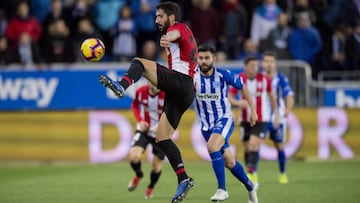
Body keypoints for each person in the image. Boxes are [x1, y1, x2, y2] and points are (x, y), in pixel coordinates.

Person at [98, 2, 197, 202]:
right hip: (185, 92)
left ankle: (121, 86)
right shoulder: (181, 32)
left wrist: (167, 37)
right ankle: (184, 179)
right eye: (156, 16)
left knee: (139, 62)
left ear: (171, 17)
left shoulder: (179, 27)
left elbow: (175, 34)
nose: (156, 20)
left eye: (160, 16)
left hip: (181, 81)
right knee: (162, 138)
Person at [194, 44, 259, 203]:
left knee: (212, 147)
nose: (203, 61)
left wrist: (253, 111)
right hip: (206, 126)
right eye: (200, 58)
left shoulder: (224, 75)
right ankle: (250, 186)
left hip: (224, 119)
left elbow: (244, 89)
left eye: (206, 58)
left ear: (214, 59)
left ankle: (222, 189)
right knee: (230, 162)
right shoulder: (192, 77)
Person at [228, 56, 279, 183]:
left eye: (256, 65)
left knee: (253, 143)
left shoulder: (265, 79)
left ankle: (252, 172)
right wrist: (239, 103)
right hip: (245, 118)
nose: (254, 68)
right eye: (251, 65)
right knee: (247, 146)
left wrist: (277, 115)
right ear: (245, 67)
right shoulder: (240, 78)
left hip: (262, 117)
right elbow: (230, 96)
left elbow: (272, 97)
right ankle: (250, 169)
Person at [128, 82, 166, 199]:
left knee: (156, 165)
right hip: (144, 131)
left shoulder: (167, 95)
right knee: (134, 157)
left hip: (160, 134)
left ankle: (150, 187)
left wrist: (161, 126)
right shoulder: (141, 91)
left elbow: (172, 114)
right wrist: (140, 120)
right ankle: (139, 174)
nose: (153, 84)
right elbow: (134, 106)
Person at [262, 51, 294, 184]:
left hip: (277, 117)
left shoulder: (281, 78)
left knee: (279, 145)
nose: (269, 64)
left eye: (271, 61)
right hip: (261, 116)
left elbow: (289, 94)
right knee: (254, 145)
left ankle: (282, 173)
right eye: (266, 61)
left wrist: (287, 109)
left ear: (275, 64)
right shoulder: (258, 78)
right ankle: (253, 175)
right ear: (262, 63)